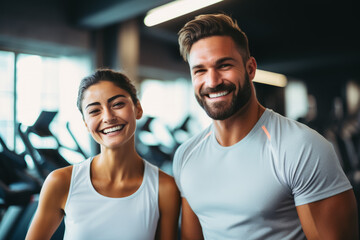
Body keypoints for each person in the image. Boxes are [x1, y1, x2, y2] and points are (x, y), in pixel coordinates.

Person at [173, 13, 358, 239]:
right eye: (200, 70)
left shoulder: (301, 147)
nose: (212, 81)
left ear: (250, 68)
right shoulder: (186, 156)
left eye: (224, 65)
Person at [26, 69, 180, 240]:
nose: (108, 117)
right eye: (94, 111)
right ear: (86, 123)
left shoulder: (165, 187)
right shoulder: (61, 182)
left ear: (138, 108)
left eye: (117, 104)